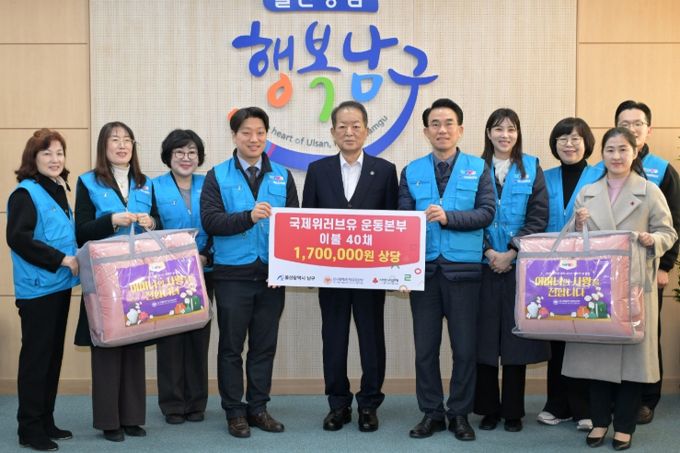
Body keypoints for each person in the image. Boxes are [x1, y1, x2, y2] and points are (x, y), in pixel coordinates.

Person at [564, 127, 676, 450]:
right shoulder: (588, 192)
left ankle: (624, 427)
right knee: (597, 360)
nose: (616, 156)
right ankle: (600, 422)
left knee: (632, 364)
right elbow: (570, 239)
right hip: (597, 287)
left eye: (623, 150)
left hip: (635, 287)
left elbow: (668, 233)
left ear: (635, 152)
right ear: (602, 154)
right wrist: (578, 224)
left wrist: (652, 240)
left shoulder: (650, 191)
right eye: (610, 150)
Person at [398, 98, 495, 441]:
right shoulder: (411, 171)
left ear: (461, 129)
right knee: (425, 350)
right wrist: (402, 272)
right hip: (423, 274)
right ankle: (431, 413)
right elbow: (403, 224)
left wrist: (448, 217)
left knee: (464, 350)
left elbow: (487, 213)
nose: (442, 129)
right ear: (426, 132)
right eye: (435, 124)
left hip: (464, 273)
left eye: (449, 123)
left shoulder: (478, 168)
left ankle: (459, 414)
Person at [200, 106, 299, 438]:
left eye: (260, 132)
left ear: (266, 136)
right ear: (234, 136)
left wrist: (290, 268)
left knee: (264, 346)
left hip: (272, 275)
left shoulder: (282, 176)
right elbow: (211, 221)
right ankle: (234, 411)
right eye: (246, 132)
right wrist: (248, 217)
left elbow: (295, 226)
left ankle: (258, 408)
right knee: (231, 347)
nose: (253, 139)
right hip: (232, 275)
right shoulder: (217, 175)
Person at [302, 100, 398, 433]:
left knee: (372, 339)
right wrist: (308, 270)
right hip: (331, 275)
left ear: (367, 130)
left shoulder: (385, 171)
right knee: (334, 339)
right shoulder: (318, 171)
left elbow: (394, 225)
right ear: (332, 132)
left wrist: (395, 272)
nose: (349, 132)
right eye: (342, 126)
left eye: (356, 125)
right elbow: (307, 224)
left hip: (371, 276)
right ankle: (338, 404)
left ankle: (369, 404)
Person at [74, 121, 160, 442]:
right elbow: (81, 231)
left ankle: (133, 418)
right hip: (104, 277)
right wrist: (110, 220)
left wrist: (152, 222)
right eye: (115, 140)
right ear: (104, 146)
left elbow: (158, 224)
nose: (122, 145)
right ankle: (109, 421)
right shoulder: (88, 181)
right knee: (108, 345)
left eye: (127, 140)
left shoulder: (145, 183)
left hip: (138, 276)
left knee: (135, 344)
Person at [474, 108, 549, 433]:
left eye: (511, 129)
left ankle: (514, 410)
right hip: (483, 264)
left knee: (516, 337)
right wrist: (489, 252)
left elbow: (539, 215)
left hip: (520, 266)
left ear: (518, 134)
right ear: (488, 133)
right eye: (498, 129)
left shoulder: (531, 167)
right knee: (485, 338)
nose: (505, 135)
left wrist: (513, 251)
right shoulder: (473, 168)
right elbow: (467, 213)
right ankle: (488, 408)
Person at [7, 129, 80, 451]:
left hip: (59, 286)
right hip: (38, 291)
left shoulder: (57, 189)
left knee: (52, 358)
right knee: (36, 360)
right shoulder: (25, 193)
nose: (55, 159)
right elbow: (19, 238)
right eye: (47, 153)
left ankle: (46, 419)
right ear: (33, 158)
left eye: (59, 153)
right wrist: (60, 259)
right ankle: (29, 428)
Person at [613, 101, 680, 425]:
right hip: (611, 274)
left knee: (647, 335)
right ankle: (616, 398)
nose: (632, 128)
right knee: (614, 333)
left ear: (648, 130)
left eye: (638, 123)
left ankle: (647, 399)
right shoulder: (607, 167)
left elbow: (674, 221)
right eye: (624, 123)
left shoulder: (662, 169)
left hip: (649, 270)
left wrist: (666, 265)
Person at [538, 117, 602, 431]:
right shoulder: (544, 176)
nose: (569, 144)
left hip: (589, 268)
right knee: (557, 337)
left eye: (576, 138)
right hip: (551, 269)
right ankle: (557, 404)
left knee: (584, 336)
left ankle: (585, 407)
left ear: (586, 142)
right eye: (562, 138)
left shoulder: (600, 175)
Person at [153, 129, 213, 425]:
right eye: (179, 152)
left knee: (198, 337)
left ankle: (196, 402)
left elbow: (218, 224)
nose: (186, 158)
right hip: (167, 274)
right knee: (170, 339)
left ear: (199, 157)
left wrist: (206, 256)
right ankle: (173, 404)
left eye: (191, 152)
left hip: (203, 270)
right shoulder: (153, 187)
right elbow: (150, 228)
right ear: (168, 157)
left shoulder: (210, 184)